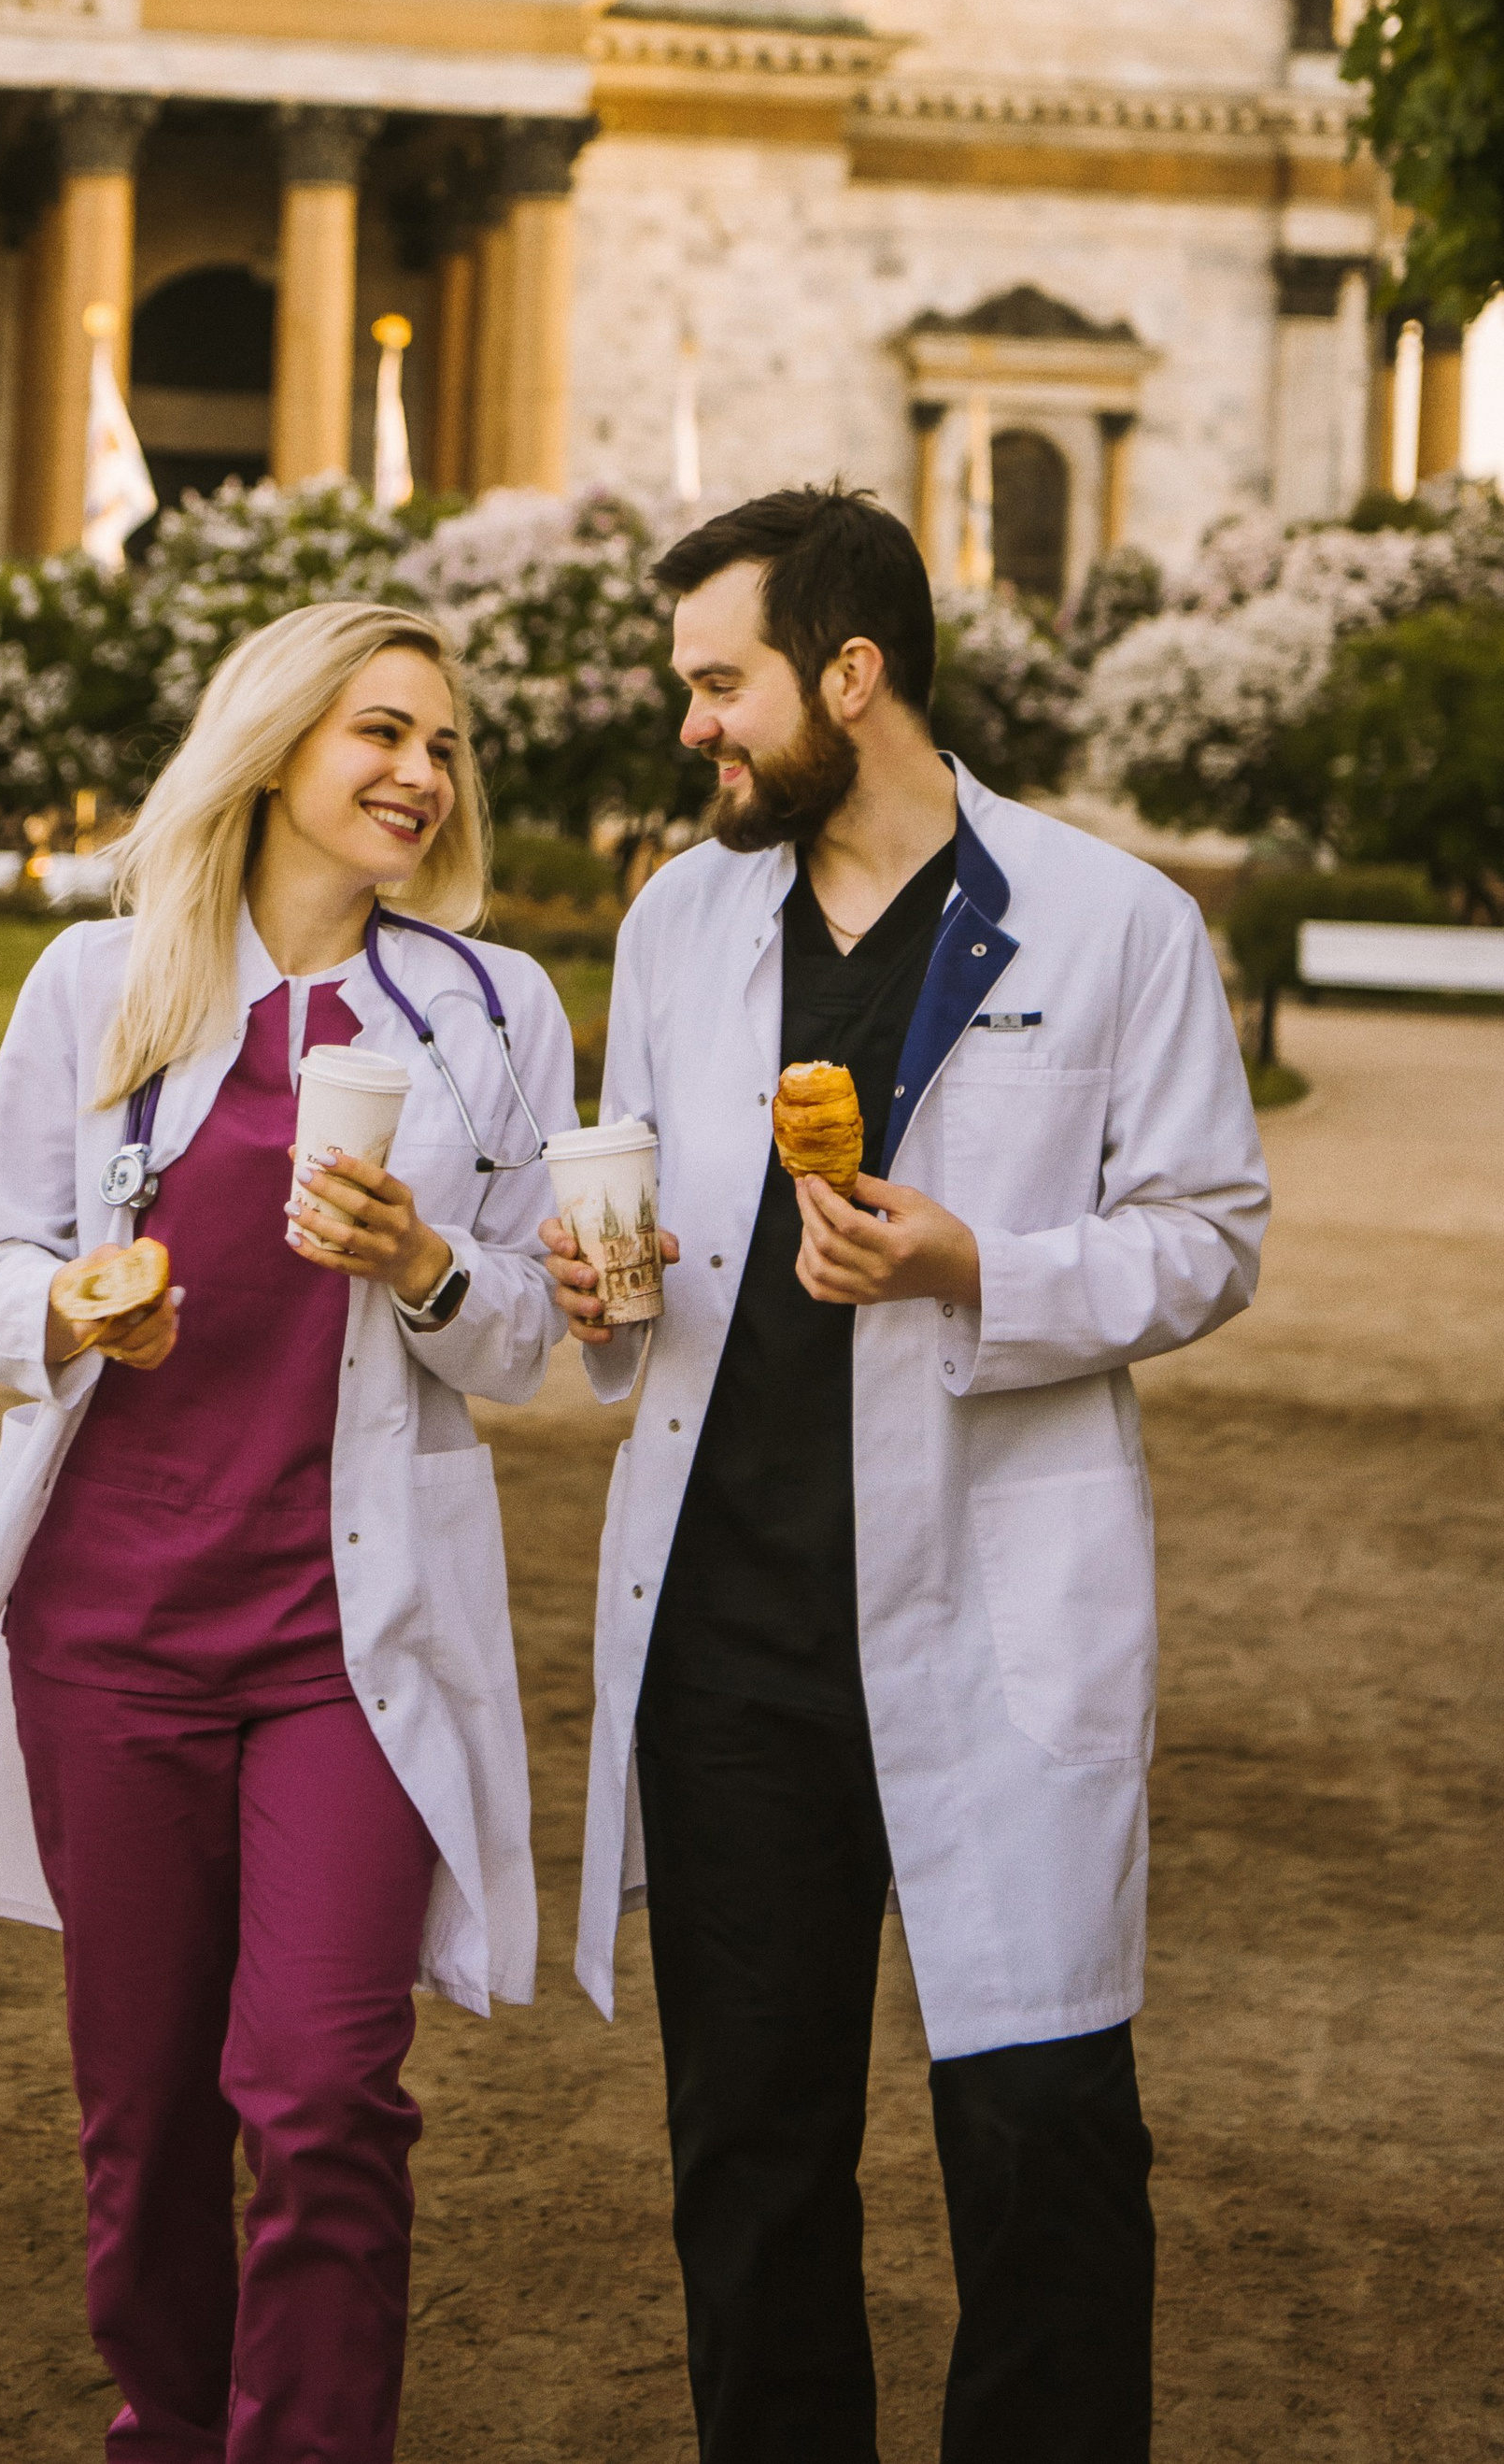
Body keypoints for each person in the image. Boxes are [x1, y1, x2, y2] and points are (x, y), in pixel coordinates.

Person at [0, 601, 575, 2464]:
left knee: (320, 2092)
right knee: (141, 2123)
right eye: (380, 729)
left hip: (342, 1645)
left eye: (444, 743)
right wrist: (67, 1306)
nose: (418, 771)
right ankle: (167, 2418)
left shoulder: (488, 1008)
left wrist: (423, 1261)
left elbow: (528, 1341)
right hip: (112, 1636)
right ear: (275, 745)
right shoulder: (101, 983)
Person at [546, 484, 1267, 2464]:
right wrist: (595, 1279)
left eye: (720, 683)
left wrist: (975, 1265)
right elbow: (640, 1230)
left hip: (989, 1619)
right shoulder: (681, 920)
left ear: (845, 676)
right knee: (751, 2166)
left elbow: (1207, 1229)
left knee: (1039, 2148)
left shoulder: (1106, 920)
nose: (691, 725)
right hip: (730, 1648)